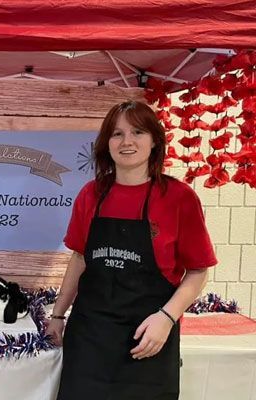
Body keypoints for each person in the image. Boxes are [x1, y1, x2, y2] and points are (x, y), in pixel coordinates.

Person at [47, 101, 217, 400]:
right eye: (117, 134)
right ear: (106, 144)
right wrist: (58, 315)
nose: (127, 141)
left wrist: (166, 318)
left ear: (154, 141)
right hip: (90, 338)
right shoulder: (92, 194)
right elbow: (80, 258)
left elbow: (198, 271)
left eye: (138, 132)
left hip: (148, 339)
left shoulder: (179, 198)